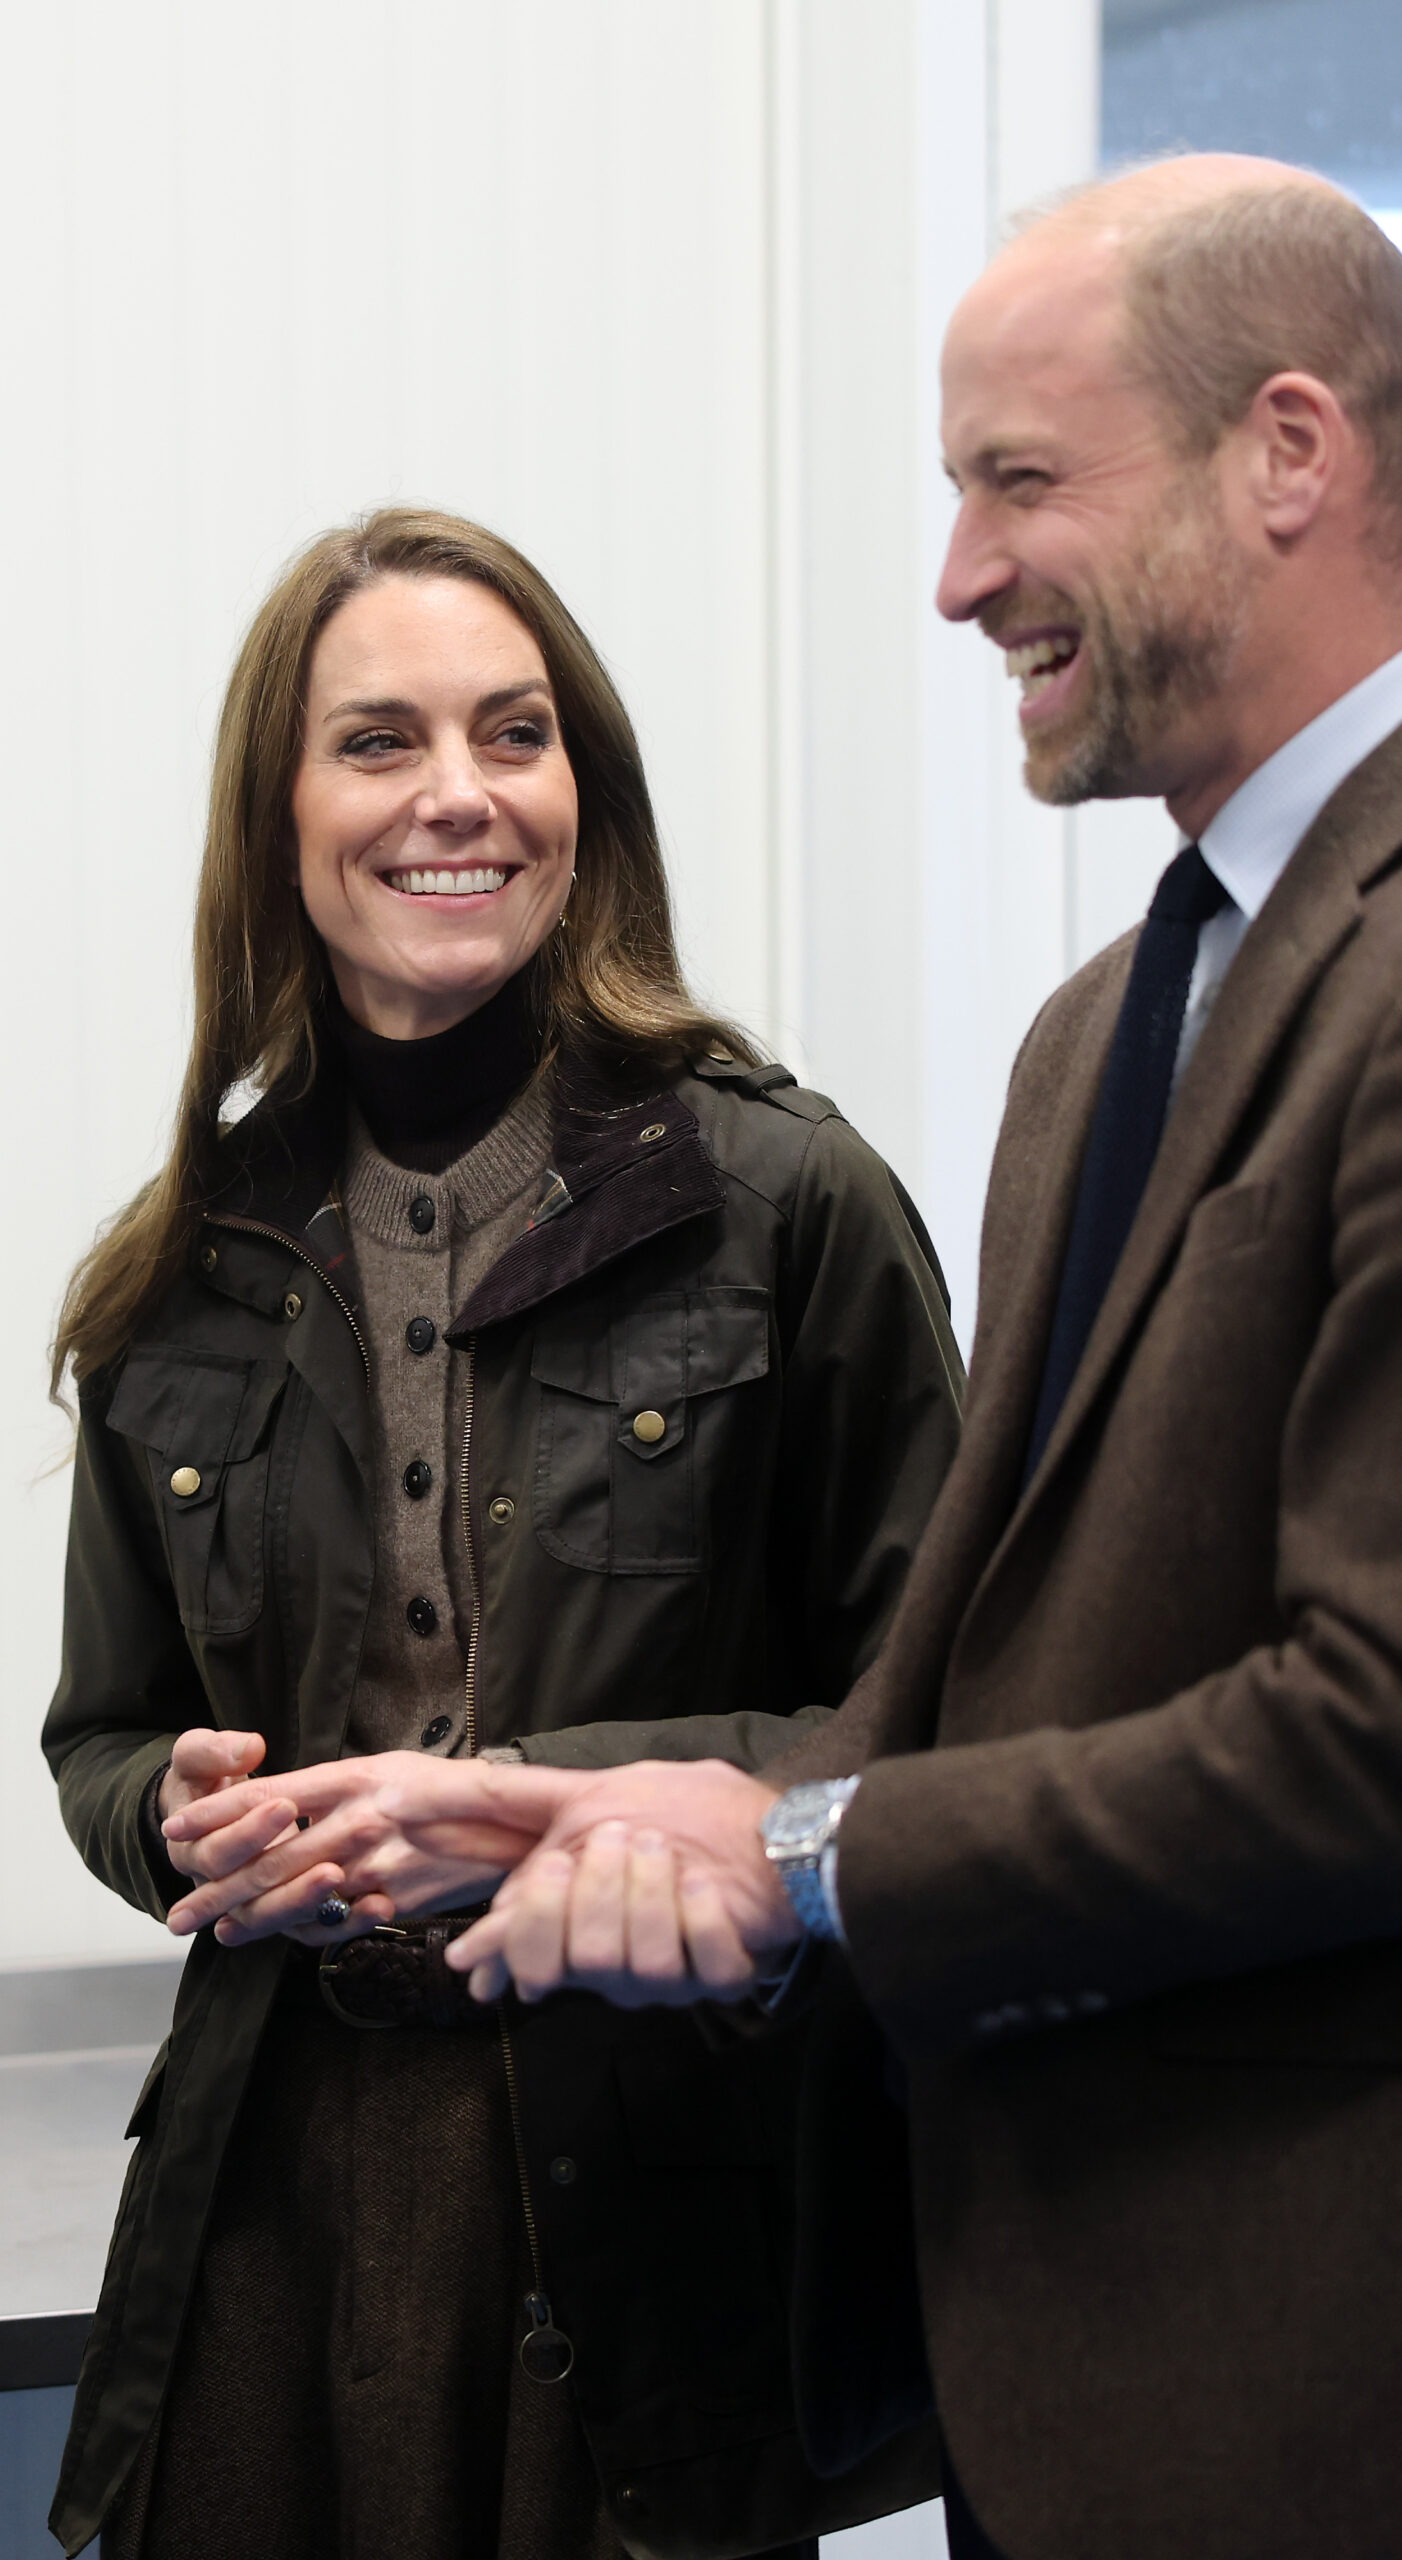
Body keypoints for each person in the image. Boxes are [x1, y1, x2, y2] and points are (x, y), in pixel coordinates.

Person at [188, 164, 1402, 2560]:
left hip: (1368, 2396)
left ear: (1285, 454)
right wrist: (606, 1798)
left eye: (1015, 480)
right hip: (1071, 2365)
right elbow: (979, 1693)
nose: (956, 575)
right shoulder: (1101, 1027)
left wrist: (798, 1854)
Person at [42, 508, 959, 2560]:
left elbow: (944, 1719)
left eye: (513, 732)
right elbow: (98, 1733)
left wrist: (529, 1803)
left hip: (642, 2183)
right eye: (378, 739)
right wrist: (165, 1813)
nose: (456, 791)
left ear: (581, 798)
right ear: (278, 821)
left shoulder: (786, 1202)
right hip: (264, 2183)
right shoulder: (181, 1267)